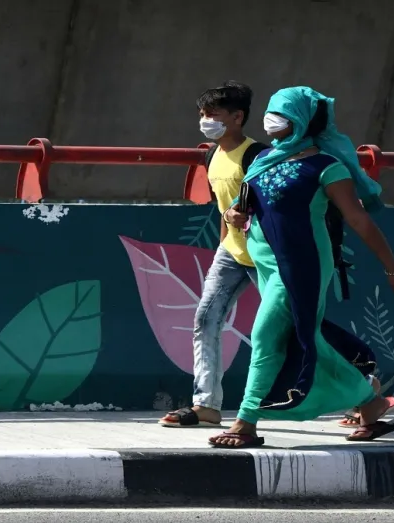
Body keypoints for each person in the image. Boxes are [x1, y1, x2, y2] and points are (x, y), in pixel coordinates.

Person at [208, 86, 394, 447]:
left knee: (265, 336)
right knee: (301, 336)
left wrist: (393, 269)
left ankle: (245, 422)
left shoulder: (326, 167)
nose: (270, 120)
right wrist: (231, 215)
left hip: (302, 265)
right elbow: (241, 208)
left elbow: (359, 220)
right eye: (270, 111)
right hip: (266, 264)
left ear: (301, 120)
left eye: (281, 114)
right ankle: (370, 402)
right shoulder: (263, 159)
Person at [159, 81, 264, 428]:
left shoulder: (257, 156)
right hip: (231, 253)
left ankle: (362, 390)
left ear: (238, 117)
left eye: (213, 114)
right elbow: (223, 208)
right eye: (203, 114)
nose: (205, 120)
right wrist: (222, 245)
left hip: (266, 257)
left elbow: (274, 206)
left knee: (296, 327)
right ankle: (206, 405)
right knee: (206, 320)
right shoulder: (211, 155)